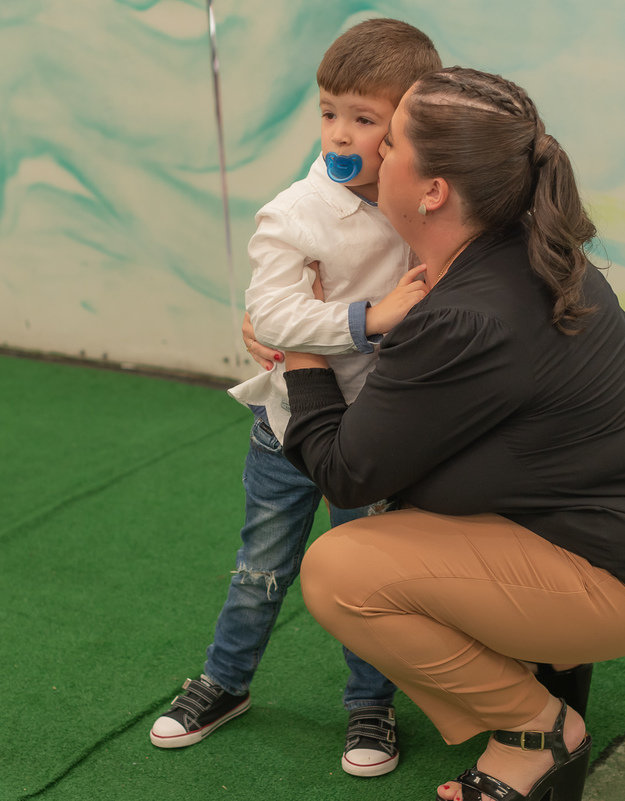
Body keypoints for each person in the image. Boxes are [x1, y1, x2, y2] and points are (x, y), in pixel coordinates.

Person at [279, 67, 625, 801]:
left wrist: (299, 345)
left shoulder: (467, 313)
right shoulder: (521, 249)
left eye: (390, 140)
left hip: (622, 577)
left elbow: (346, 472)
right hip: (624, 544)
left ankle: (538, 731)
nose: (370, 150)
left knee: (340, 571)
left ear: (434, 191)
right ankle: (549, 689)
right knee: (410, 519)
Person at [149, 18, 441, 778]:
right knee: (262, 566)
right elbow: (271, 315)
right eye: (329, 111)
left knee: (365, 576)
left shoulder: (429, 208)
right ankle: (224, 680)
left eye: (365, 118)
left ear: (408, 126)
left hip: (375, 436)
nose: (341, 132)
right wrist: (366, 319)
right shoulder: (297, 211)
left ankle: (370, 704)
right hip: (287, 429)